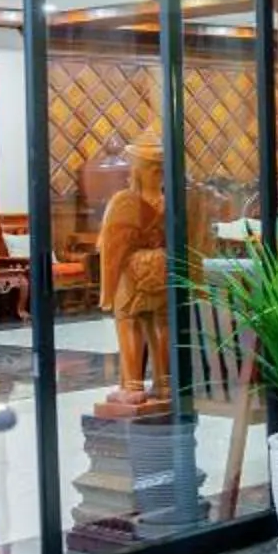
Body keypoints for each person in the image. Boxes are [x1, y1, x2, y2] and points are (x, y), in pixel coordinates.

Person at [94, 140, 172, 410]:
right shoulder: (170, 202)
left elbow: (110, 243)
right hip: (163, 269)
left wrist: (107, 288)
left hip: (132, 274)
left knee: (128, 321)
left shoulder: (125, 201)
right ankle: (165, 382)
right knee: (161, 323)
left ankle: (133, 386)